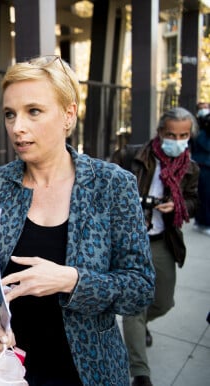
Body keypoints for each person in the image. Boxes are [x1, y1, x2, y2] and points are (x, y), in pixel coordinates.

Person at [0, 55, 155, 386]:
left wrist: (72, 281)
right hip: (9, 366)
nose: (17, 127)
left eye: (33, 111)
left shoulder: (111, 185)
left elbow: (140, 288)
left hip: (88, 370)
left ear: (68, 114)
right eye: (10, 114)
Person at [111, 107, 200, 386]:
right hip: (130, 240)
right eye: (171, 134)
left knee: (163, 301)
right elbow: (107, 185)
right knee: (133, 306)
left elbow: (194, 202)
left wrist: (179, 205)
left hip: (163, 240)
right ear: (160, 132)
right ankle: (140, 372)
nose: (177, 140)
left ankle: (138, 326)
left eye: (183, 135)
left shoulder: (190, 169)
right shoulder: (131, 156)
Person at [192, 107, 210, 236]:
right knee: (205, 196)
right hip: (203, 168)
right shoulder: (201, 135)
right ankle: (203, 221)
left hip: (204, 167)